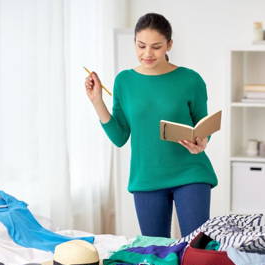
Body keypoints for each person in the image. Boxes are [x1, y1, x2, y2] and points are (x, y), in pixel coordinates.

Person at [85, 12, 218, 238]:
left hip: (191, 172)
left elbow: (203, 125)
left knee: (196, 250)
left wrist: (202, 141)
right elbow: (119, 136)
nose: (147, 53)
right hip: (146, 176)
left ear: (169, 45)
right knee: (156, 254)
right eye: (141, 46)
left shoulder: (190, 79)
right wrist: (97, 101)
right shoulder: (124, 81)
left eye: (156, 47)